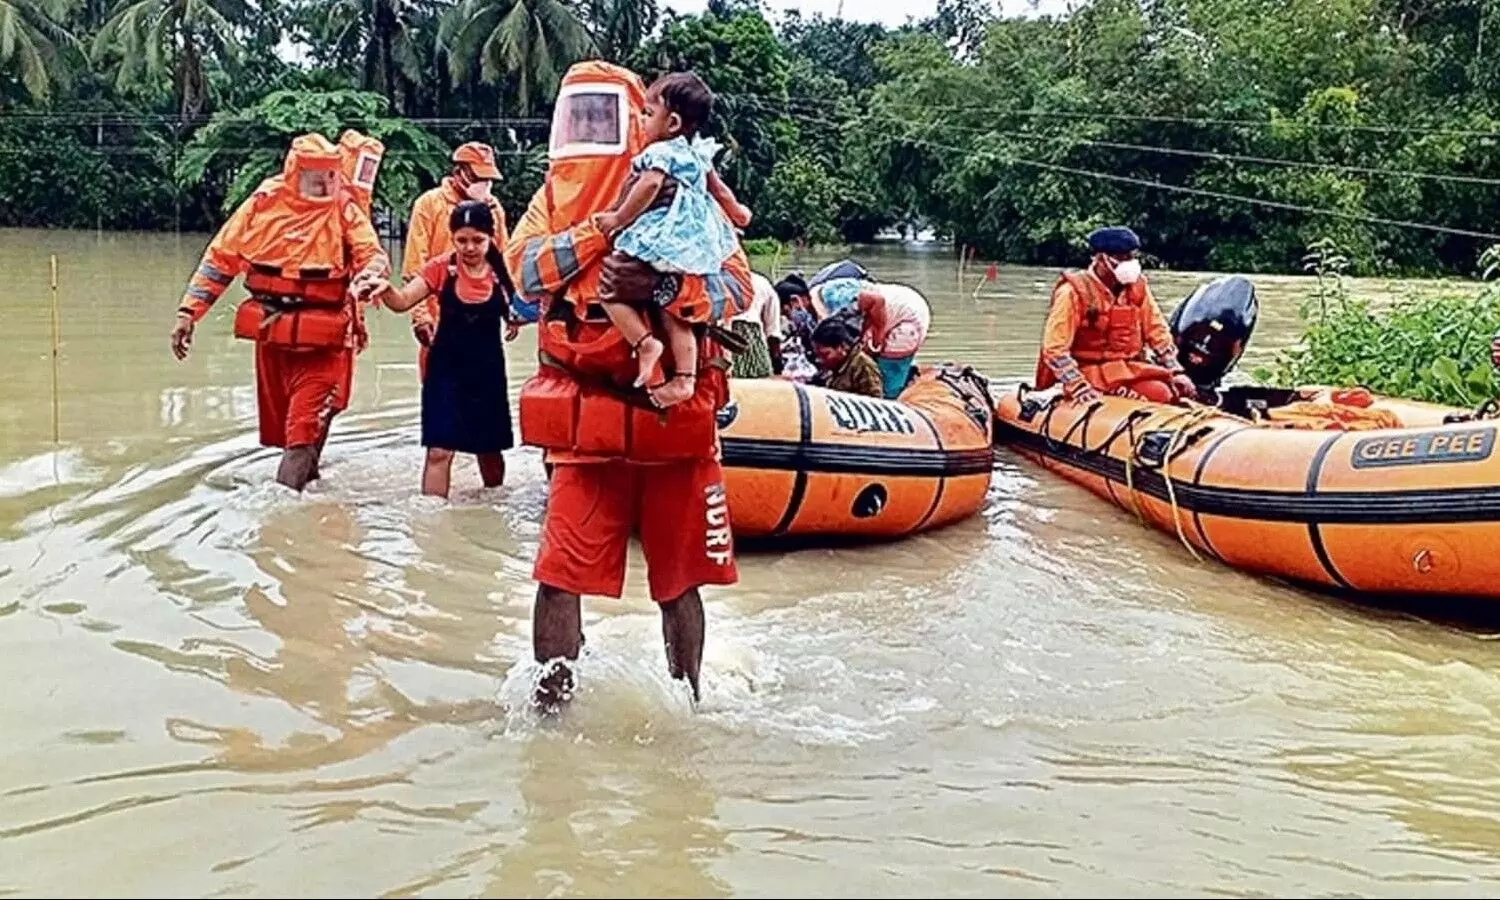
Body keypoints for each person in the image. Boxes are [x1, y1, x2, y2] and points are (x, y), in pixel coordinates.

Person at [505, 60, 754, 712]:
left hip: (670, 417)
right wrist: (604, 228)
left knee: (678, 584)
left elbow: (736, 287)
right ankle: (549, 713)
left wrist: (671, 287)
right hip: (585, 414)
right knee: (558, 576)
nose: (588, 129)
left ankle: (690, 704)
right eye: (577, 115)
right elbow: (526, 270)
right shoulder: (552, 196)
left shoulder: (683, 184)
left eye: (602, 115)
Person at [170, 133, 390, 491]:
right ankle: (313, 500)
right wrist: (188, 313)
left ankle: (280, 520)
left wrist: (371, 276)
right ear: (294, 171)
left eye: (331, 174)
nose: (324, 182)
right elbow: (220, 259)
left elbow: (372, 253)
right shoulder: (263, 203)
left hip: (325, 343)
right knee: (294, 431)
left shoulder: (344, 208)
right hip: (274, 337)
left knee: (300, 434)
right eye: (314, 174)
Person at [591, 70, 752, 406]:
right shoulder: (697, 153)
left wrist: (618, 218)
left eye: (648, 114)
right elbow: (718, 189)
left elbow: (648, 186)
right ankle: (684, 378)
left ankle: (644, 342)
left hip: (661, 240)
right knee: (673, 310)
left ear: (674, 122)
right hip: (691, 248)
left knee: (607, 290)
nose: (641, 120)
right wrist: (738, 213)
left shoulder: (661, 152)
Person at [371, 201, 520, 497]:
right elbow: (402, 302)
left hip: (487, 374)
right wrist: (384, 288)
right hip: (445, 372)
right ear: (452, 238)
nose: (469, 247)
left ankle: (495, 510)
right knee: (439, 451)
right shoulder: (441, 269)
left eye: (477, 240)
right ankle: (431, 524)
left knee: (489, 453)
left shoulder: (503, 275)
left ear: (491, 237)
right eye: (461, 240)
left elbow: (527, 311)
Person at [1034, 226, 1196, 406]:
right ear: (1100, 258)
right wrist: (1078, 386)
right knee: (1157, 395)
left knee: (1166, 392)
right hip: (1088, 372)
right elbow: (1055, 349)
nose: (1129, 263)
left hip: (1127, 368)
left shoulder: (1137, 288)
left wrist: (1175, 370)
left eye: (1132, 256)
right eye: (1121, 257)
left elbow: (1157, 331)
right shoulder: (1072, 293)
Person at [404, 142, 511, 382]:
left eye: (488, 179)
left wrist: (509, 311)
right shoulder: (430, 205)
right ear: (459, 173)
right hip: (440, 322)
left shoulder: (494, 211)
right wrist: (420, 317)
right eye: (478, 177)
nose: (484, 185)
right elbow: (415, 265)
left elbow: (504, 263)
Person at [812, 277, 932, 399]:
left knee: (889, 385)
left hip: (907, 318)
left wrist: (876, 342)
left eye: (825, 355)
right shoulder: (831, 298)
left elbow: (877, 301)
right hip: (893, 305)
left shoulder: (836, 301)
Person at [809, 317, 884, 398]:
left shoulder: (863, 366)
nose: (820, 360)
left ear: (842, 347)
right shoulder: (836, 365)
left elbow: (874, 400)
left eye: (825, 355)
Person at [728, 271, 783, 378]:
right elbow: (773, 333)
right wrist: (778, 366)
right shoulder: (761, 282)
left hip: (723, 340)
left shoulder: (711, 280)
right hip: (753, 342)